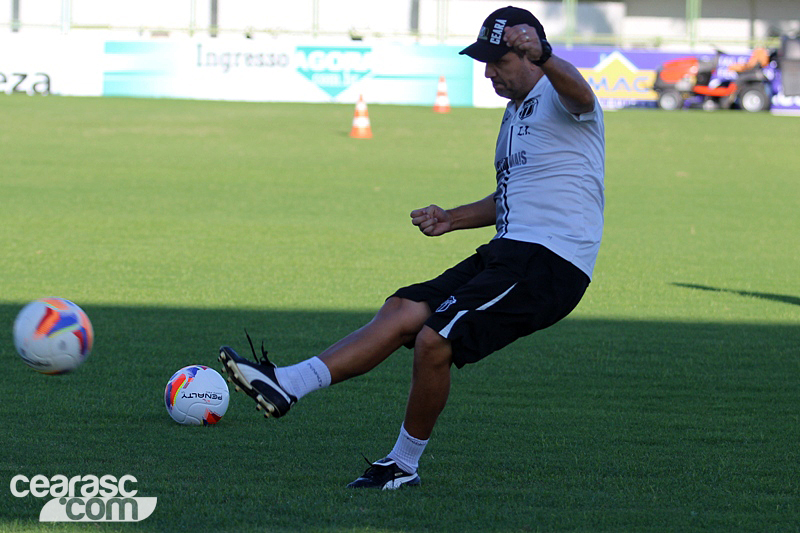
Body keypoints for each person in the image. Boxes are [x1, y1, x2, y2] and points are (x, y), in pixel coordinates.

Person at [218, 5, 605, 490]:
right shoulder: (514, 113)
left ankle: (402, 465)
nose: (487, 72)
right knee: (403, 308)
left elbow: (583, 93)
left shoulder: (560, 93)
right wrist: (453, 218)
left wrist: (547, 56)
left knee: (435, 339)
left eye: (497, 62)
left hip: (552, 262)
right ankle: (289, 384)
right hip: (508, 250)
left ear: (528, 54)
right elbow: (511, 197)